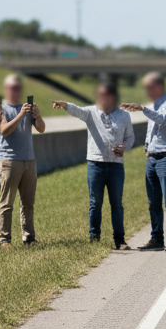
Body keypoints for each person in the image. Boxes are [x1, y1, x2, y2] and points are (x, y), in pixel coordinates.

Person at [52, 83, 134, 250]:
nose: (101, 98)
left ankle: (120, 240)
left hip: (116, 166)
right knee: (95, 202)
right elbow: (77, 110)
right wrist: (65, 104)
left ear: (112, 97)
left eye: (104, 95)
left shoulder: (124, 116)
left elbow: (130, 137)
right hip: (95, 164)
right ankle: (94, 238)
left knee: (116, 203)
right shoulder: (91, 112)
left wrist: (124, 147)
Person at [122, 72, 166, 252]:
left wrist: (143, 109)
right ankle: (156, 238)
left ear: (159, 86)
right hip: (152, 159)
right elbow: (151, 132)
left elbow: (163, 120)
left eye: (149, 87)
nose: (146, 91)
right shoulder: (152, 105)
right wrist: (147, 149)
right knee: (153, 202)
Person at [0, 73, 44, 246]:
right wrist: (21, 115)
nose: (16, 90)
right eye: (12, 87)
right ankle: (4, 239)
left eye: (18, 88)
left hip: (29, 160)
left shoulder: (26, 108)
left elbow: (42, 129)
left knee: (28, 202)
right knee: (7, 202)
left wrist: (36, 115)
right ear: (6, 89)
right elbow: (4, 130)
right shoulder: (0, 108)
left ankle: (29, 237)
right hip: (9, 161)